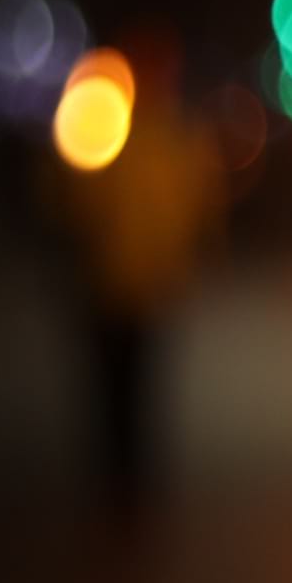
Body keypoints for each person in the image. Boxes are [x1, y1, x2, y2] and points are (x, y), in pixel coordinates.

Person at [55, 26, 225, 518]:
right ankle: (113, 482)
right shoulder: (102, 124)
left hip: (154, 286)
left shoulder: (179, 135)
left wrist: (198, 256)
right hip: (104, 284)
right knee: (108, 389)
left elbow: (200, 203)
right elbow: (70, 198)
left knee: (145, 387)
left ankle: (137, 485)